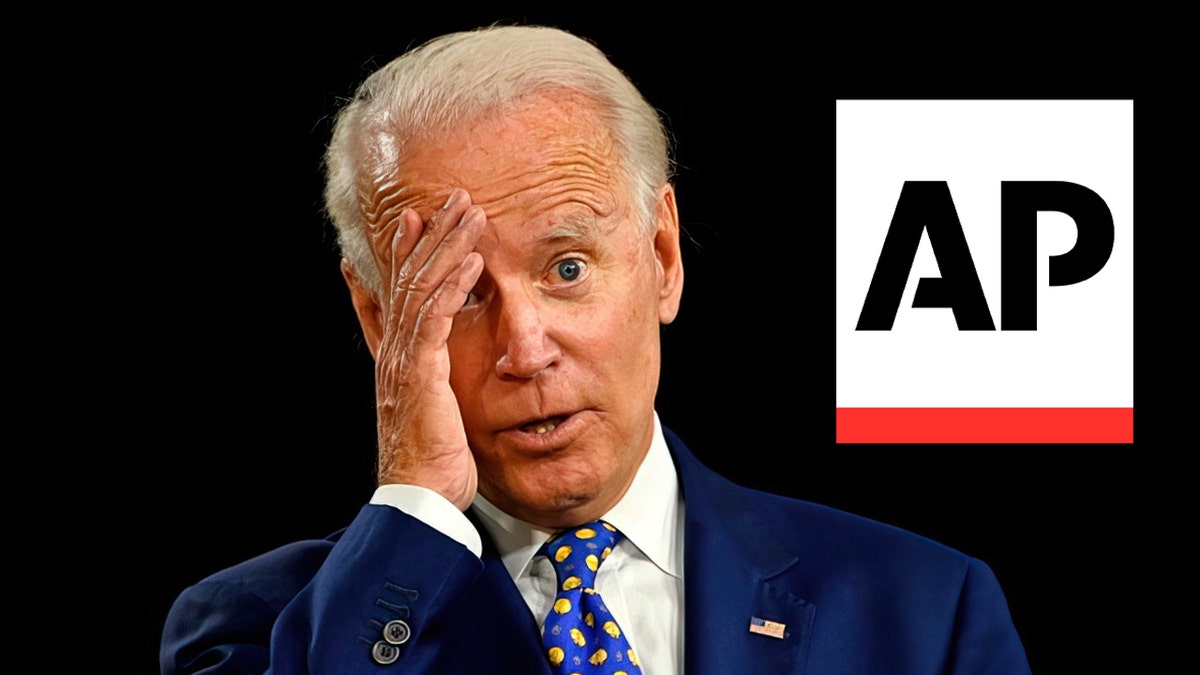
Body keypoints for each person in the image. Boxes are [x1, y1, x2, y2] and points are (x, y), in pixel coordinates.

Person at [160, 24, 1032, 674]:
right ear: (381, 321)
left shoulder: (926, 612)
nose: (526, 348)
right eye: (458, 292)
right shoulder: (247, 630)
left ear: (661, 256)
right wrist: (415, 509)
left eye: (567, 267)